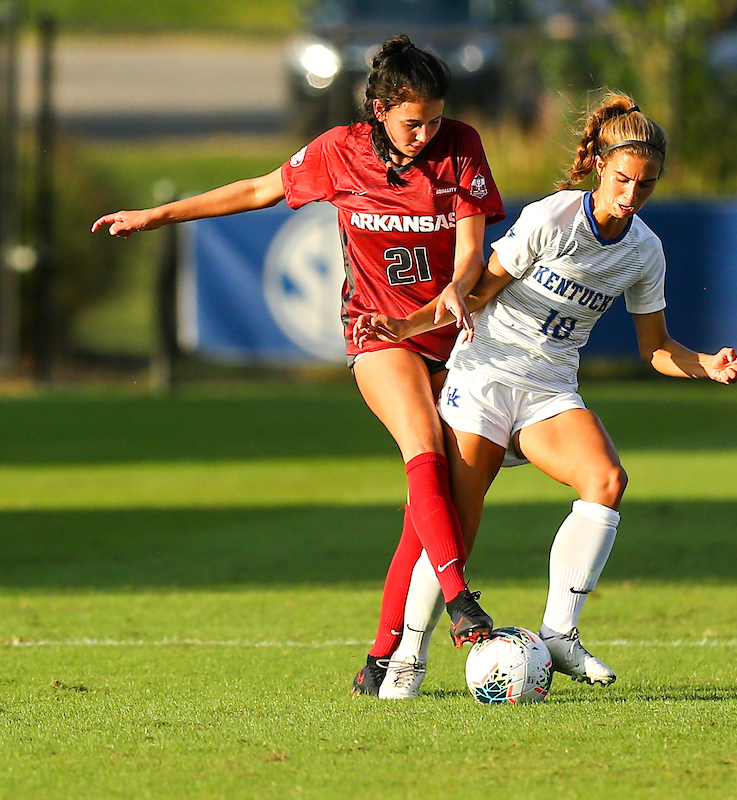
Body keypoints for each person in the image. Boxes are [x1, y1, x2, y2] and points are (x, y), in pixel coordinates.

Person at [91, 35, 506, 697]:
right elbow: (259, 188)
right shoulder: (339, 151)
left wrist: (459, 285)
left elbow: (471, 248)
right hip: (379, 335)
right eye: (412, 122)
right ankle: (459, 602)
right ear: (378, 110)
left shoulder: (460, 144)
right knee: (422, 449)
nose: (426, 133)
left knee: (435, 505)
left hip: (453, 339)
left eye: (434, 119)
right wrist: (158, 215)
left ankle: (381, 658)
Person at [353, 91, 737, 698]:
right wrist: (406, 328)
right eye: (623, 179)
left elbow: (655, 349)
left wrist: (706, 365)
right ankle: (409, 656)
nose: (632, 195)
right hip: (485, 376)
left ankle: (560, 634)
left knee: (606, 480)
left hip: (548, 390)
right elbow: (477, 291)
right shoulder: (554, 217)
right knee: (458, 526)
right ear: (599, 165)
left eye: (646, 185)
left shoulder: (645, 252)